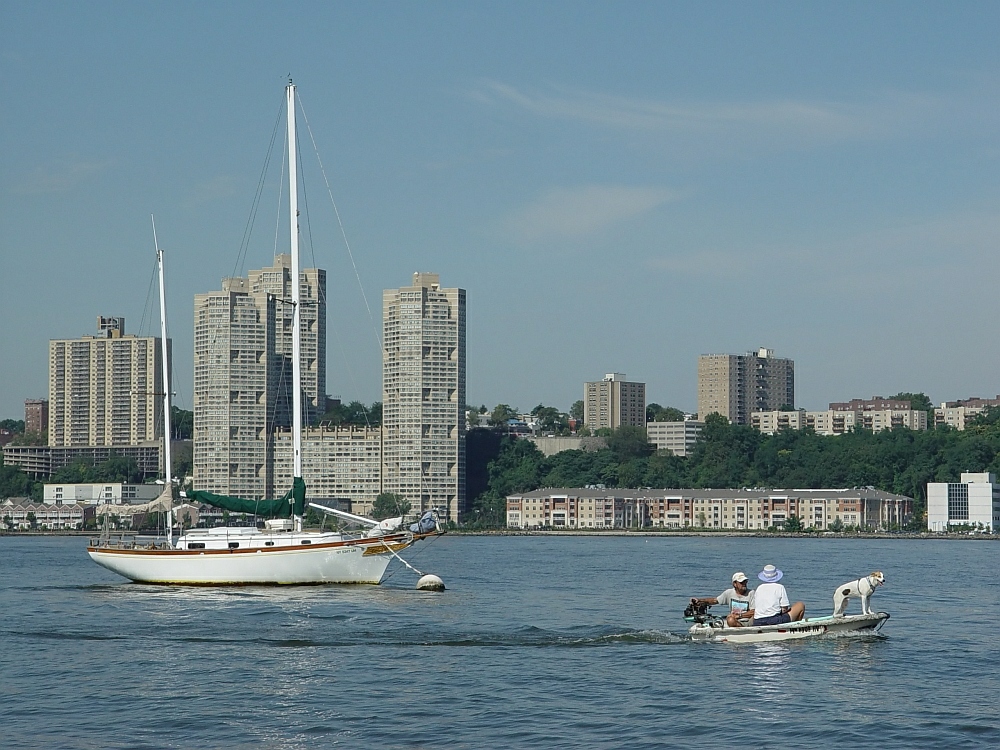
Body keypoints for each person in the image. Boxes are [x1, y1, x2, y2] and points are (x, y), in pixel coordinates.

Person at [691, 572, 755, 627]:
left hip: (748, 621)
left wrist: (739, 616)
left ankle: (744, 631)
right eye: (741, 582)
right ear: (735, 584)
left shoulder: (751, 593)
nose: (744, 584)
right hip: (734, 621)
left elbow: (754, 611)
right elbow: (715, 600)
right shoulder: (729, 593)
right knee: (730, 620)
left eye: (745, 582)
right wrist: (699, 601)